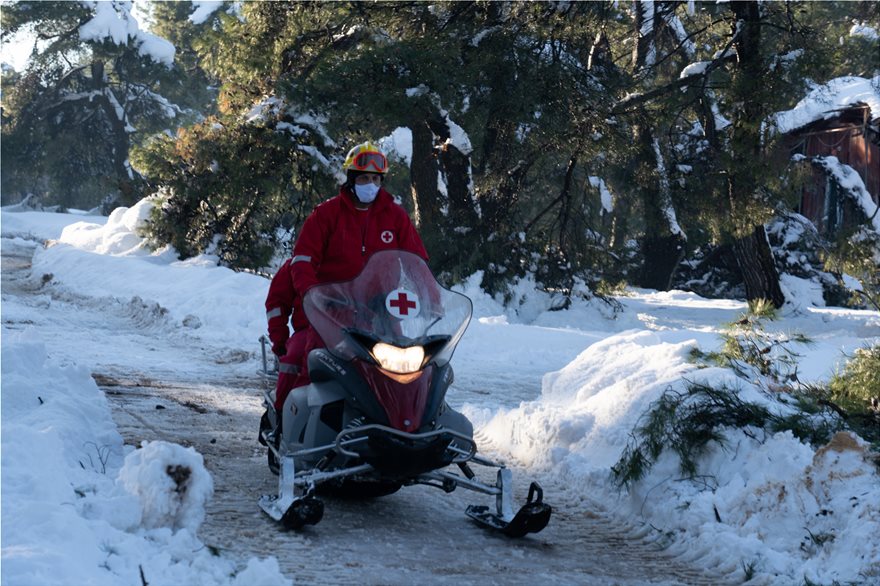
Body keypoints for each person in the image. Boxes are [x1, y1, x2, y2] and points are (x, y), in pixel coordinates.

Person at [264, 141, 428, 417]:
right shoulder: (325, 215)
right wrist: (312, 296)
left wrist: (430, 297)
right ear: (351, 179)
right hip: (325, 318)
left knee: (405, 370)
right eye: (364, 178)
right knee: (300, 360)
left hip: (378, 319)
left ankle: (408, 423)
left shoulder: (395, 216)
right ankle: (285, 422)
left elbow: (417, 262)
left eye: (376, 179)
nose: (371, 184)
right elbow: (303, 261)